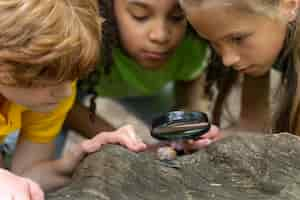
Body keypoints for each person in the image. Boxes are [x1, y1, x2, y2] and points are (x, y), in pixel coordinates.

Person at [0, 0, 147, 199]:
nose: (66, 93)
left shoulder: (48, 95)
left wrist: (72, 164)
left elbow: (26, 175)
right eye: (50, 76)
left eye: (71, 76)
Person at [64, 0, 220, 151]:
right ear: (106, 5)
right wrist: (126, 144)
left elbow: (191, 86)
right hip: (68, 90)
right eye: (140, 15)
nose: (160, 36)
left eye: (177, 16)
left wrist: (189, 128)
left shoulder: (192, 38)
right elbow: (61, 107)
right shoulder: (75, 34)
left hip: (149, 88)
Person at [179, 0, 300, 135]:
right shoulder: (258, 53)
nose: (227, 60)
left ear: (289, 5)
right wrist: (211, 140)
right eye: (212, 42)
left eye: (237, 38)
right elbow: (252, 130)